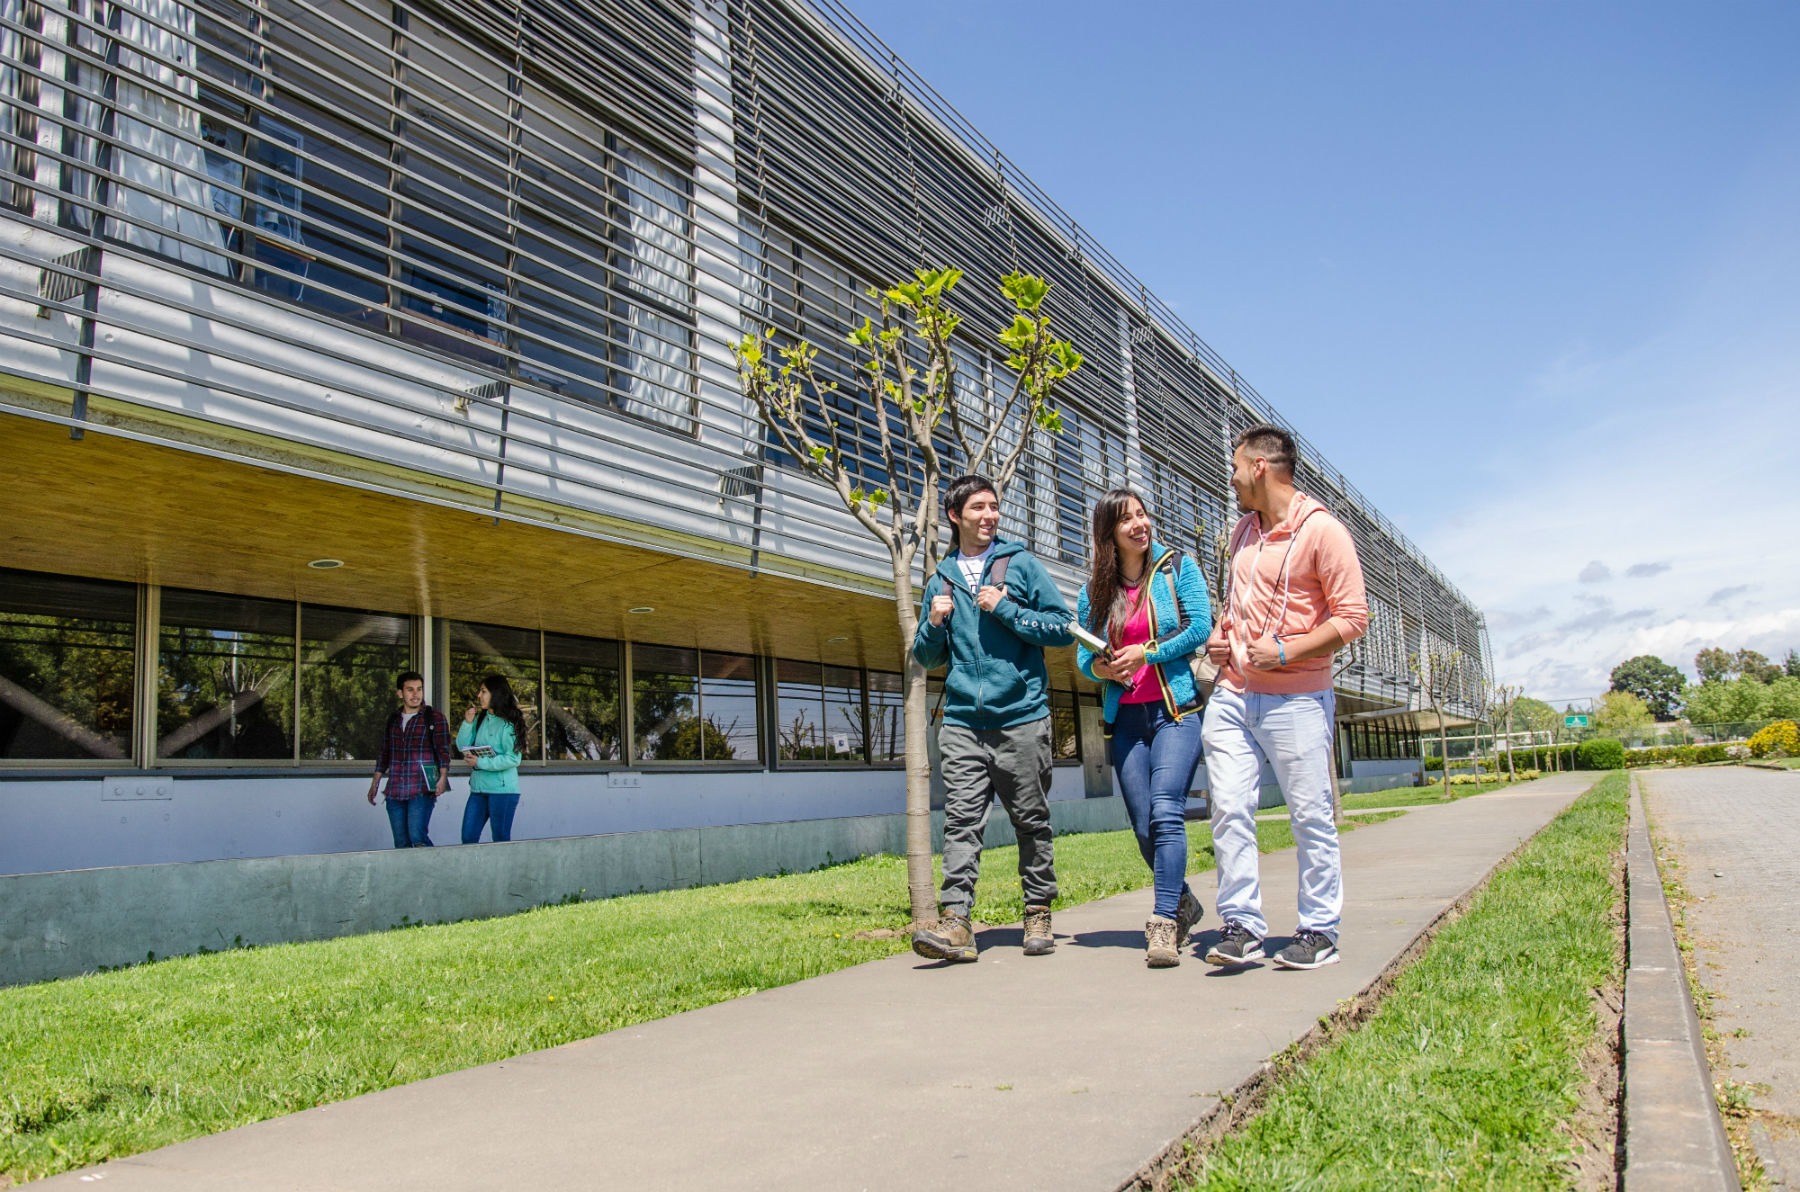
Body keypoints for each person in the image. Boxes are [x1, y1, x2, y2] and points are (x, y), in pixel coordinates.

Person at [1201, 424, 1368, 970]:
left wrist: (1290, 651)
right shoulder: (1241, 532)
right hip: (1232, 695)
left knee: (1310, 815)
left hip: (1295, 698)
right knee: (1227, 809)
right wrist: (1221, 636)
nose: (1229, 477)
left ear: (1259, 467)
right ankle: (1243, 924)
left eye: (1234, 466)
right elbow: (1236, 604)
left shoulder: (1324, 532)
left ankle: (1319, 930)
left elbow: (1352, 618)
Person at [909, 474, 1076, 963]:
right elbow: (926, 656)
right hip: (962, 720)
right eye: (979, 508)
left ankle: (1038, 910)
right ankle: (956, 921)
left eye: (994, 507)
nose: (990, 516)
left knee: (1030, 819)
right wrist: (934, 622)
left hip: (1021, 716)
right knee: (960, 822)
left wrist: (1007, 609)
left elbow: (1062, 629)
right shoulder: (941, 578)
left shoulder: (1020, 564)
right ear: (956, 516)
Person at [1075, 489, 1213, 967]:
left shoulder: (1178, 568)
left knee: (1164, 810)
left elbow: (1200, 627)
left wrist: (1147, 652)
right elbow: (1081, 655)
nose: (1140, 524)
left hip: (1176, 711)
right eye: (1127, 519)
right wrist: (1102, 669)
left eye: (1142, 514)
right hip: (1127, 719)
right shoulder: (1095, 588)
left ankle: (1162, 924)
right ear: (1109, 531)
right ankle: (1184, 900)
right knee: (1141, 826)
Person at [367, 670, 452, 848]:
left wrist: (443, 778)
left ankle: (432, 874)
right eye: (410, 690)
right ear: (400, 693)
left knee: (417, 837)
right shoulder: (393, 719)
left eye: (419, 689)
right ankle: (407, 876)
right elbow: (385, 751)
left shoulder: (434, 717)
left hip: (421, 788)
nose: (416, 695)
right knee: (401, 843)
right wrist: (375, 783)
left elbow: (443, 750)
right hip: (395, 789)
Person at [458, 674, 527, 844]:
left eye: (483, 691)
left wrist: (480, 762)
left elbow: (513, 759)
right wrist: (467, 723)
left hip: (503, 792)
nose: (479, 696)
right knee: (468, 838)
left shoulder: (509, 723)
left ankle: (504, 871)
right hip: (478, 789)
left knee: (500, 840)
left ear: (495, 693)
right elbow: (462, 746)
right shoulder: (481, 718)